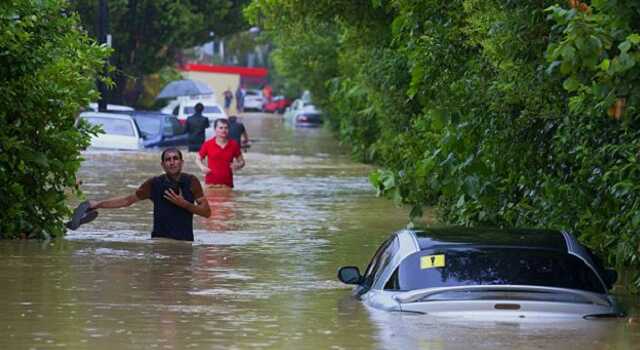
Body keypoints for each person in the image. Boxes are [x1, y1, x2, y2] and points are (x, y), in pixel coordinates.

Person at [88, 148, 211, 241]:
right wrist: (98, 204)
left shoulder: (191, 181)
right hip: (159, 242)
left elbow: (206, 212)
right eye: (168, 160)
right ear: (162, 165)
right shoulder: (154, 183)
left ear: (182, 162)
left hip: (184, 243)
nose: (172, 162)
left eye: (175, 158)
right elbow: (127, 200)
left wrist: (184, 204)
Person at [195, 118, 245, 188]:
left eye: (226, 128)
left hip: (227, 185)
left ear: (228, 130)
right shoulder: (208, 144)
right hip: (210, 184)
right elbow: (198, 159)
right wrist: (202, 167)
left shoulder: (234, 145)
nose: (223, 130)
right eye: (221, 128)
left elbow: (242, 162)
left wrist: (238, 165)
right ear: (215, 129)